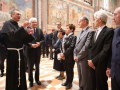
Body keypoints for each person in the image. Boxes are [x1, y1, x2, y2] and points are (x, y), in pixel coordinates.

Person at [0, 9, 34, 90]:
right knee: (13, 72)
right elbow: (13, 37)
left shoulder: (17, 25)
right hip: (12, 53)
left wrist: (27, 33)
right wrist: (23, 27)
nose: (19, 16)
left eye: (20, 14)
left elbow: (22, 39)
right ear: (12, 14)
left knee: (21, 71)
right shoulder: (7, 24)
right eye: (17, 14)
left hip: (20, 53)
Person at [88, 10, 114, 90]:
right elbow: (90, 47)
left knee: (101, 86)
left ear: (100, 19)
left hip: (100, 65)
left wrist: (94, 61)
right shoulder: (95, 32)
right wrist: (90, 60)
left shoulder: (108, 31)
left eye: (95, 19)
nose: (93, 22)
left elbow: (105, 50)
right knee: (92, 84)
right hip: (91, 64)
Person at [74, 16, 94, 90]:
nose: (78, 23)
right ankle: (80, 87)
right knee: (80, 76)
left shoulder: (90, 31)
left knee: (85, 77)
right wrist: (74, 55)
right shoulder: (79, 32)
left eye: (79, 21)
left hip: (84, 58)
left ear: (85, 21)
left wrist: (78, 56)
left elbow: (86, 47)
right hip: (78, 58)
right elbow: (76, 46)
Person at [24, 17, 44, 87]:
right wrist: (31, 45)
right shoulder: (26, 30)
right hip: (29, 52)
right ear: (30, 23)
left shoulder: (39, 30)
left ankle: (37, 79)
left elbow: (43, 39)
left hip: (37, 52)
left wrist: (39, 43)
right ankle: (31, 81)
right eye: (33, 22)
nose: (35, 23)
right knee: (30, 67)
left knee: (37, 67)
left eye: (35, 22)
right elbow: (24, 42)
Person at [106, 7, 120, 90]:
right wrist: (109, 67)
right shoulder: (115, 32)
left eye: (115, 14)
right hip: (115, 73)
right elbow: (112, 51)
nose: (113, 17)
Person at [60, 24, 77, 89]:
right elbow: (61, 45)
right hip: (64, 56)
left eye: (67, 28)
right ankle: (67, 81)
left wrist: (64, 54)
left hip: (69, 57)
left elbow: (71, 47)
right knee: (66, 70)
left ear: (71, 30)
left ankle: (70, 83)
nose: (65, 29)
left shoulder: (73, 37)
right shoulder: (65, 37)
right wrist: (62, 53)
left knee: (70, 70)